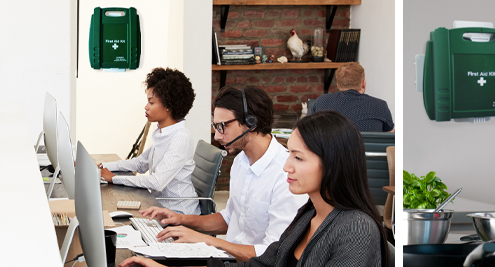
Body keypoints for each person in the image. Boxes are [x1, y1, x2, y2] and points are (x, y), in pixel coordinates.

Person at [121, 111, 392, 267]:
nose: (286, 166)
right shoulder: (309, 214)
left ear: (333, 163)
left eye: (298, 158)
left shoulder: (356, 229)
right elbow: (262, 265)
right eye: (289, 155)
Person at [138, 87, 308, 261]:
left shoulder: (286, 176)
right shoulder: (241, 161)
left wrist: (207, 241)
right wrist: (180, 219)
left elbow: (274, 255)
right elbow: (229, 219)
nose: (217, 136)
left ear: (251, 122)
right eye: (215, 126)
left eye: (222, 127)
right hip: (228, 258)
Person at [99, 67, 200, 215]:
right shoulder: (162, 132)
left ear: (168, 106)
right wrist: (103, 166)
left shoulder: (180, 138)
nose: (146, 107)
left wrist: (114, 178)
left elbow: (156, 182)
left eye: (151, 103)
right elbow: (140, 163)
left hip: (179, 212)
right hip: (159, 205)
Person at [310, 62, 395, 132]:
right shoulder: (380, 106)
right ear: (363, 84)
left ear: (338, 85)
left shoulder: (321, 101)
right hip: (365, 152)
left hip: (330, 152)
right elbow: (389, 137)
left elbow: (309, 132)